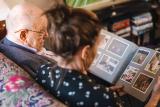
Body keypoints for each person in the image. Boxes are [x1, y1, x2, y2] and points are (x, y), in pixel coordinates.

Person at [34, 5, 160, 107]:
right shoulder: (103, 98)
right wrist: (155, 97)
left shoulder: (43, 70)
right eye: (97, 46)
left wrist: (108, 92)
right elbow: (93, 97)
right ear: (85, 52)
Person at [0, 3, 56, 76]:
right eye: (41, 31)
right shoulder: (28, 63)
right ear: (23, 35)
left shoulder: (8, 42)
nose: (47, 35)